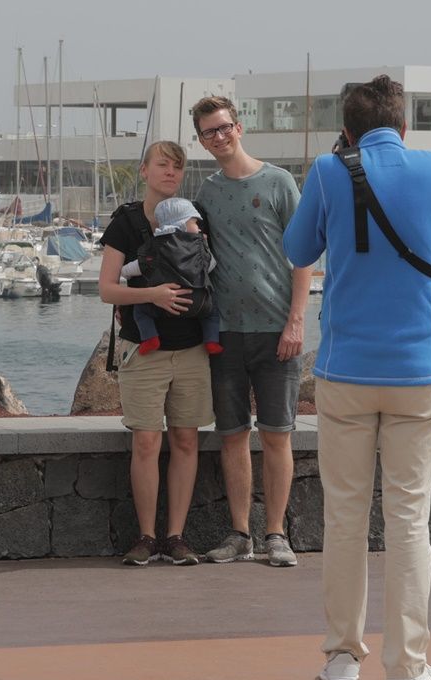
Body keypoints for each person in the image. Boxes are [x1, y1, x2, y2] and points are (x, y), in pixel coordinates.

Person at [283, 75, 431, 680]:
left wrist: (338, 172)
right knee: (410, 519)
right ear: (403, 124)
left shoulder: (330, 171)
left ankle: (342, 658)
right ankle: (409, 669)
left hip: (346, 371)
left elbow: (296, 246)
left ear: (349, 129)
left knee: (345, 519)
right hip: (417, 371)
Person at [190, 95, 311, 567]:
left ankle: (277, 534)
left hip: (277, 330)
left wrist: (296, 321)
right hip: (226, 333)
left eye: (223, 128)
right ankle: (240, 534)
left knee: (278, 434)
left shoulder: (279, 182)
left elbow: (303, 256)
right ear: (200, 140)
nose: (218, 138)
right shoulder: (207, 193)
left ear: (239, 128)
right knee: (233, 435)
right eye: (208, 133)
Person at [98, 140, 213, 567]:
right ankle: (146, 536)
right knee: (146, 441)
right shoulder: (125, 223)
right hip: (143, 349)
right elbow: (107, 288)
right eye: (162, 165)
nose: (170, 173)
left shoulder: (195, 219)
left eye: (177, 167)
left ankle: (176, 536)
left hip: (192, 348)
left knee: (186, 439)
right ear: (143, 171)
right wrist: (155, 295)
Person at [119, 197, 223, 357]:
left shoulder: (155, 247)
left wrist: (124, 270)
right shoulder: (198, 247)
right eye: (195, 223)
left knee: (140, 310)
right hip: (198, 302)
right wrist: (205, 248)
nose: (199, 228)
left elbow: (136, 268)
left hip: (161, 304)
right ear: (182, 225)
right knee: (213, 311)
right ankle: (211, 341)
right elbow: (211, 266)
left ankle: (150, 338)